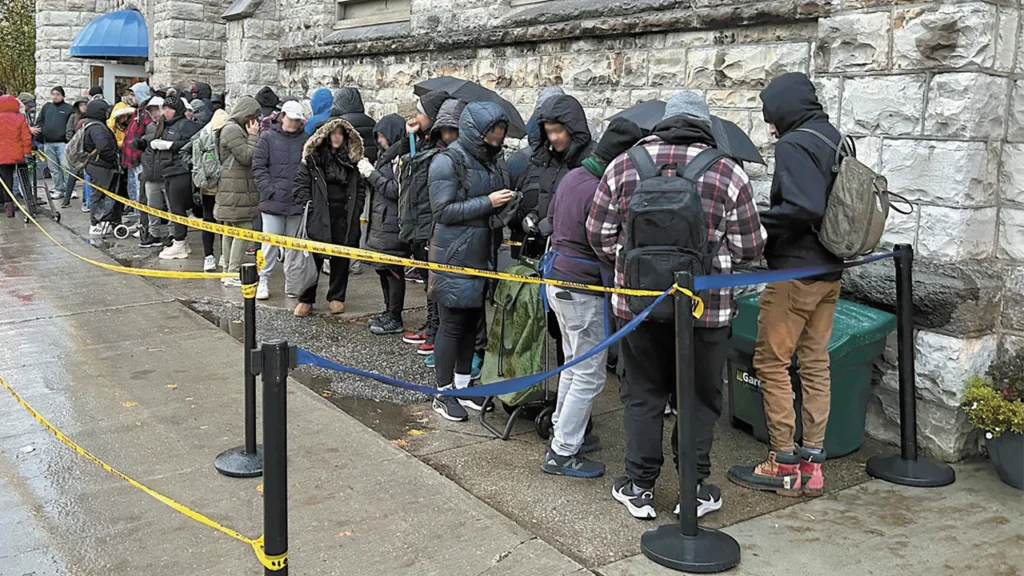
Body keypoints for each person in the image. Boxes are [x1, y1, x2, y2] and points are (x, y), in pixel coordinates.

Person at [587, 90, 766, 520]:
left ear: (664, 122)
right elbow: (750, 247)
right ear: (706, 125)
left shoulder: (623, 165)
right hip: (707, 309)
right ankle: (693, 489)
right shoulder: (727, 171)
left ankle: (639, 486)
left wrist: (634, 266)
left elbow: (598, 235)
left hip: (640, 307)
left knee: (643, 395)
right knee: (699, 400)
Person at [727, 72, 845, 499]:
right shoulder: (834, 138)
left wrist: (757, 220)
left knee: (772, 363)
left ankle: (783, 463)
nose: (769, 124)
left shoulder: (795, 144)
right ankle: (813, 466)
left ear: (783, 108)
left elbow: (804, 207)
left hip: (794, 273)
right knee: (814, 364)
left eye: (770, 113)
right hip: (830, 270)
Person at [540, 118, 644, 478]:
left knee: (573, 363)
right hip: (582, 288)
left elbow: (550, 221)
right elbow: (608, 242)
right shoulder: (602, 189)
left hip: (558, 281)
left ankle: (563, 432)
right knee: (589, 373)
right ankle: (562, 451)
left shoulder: (572, 177)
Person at [427, 101, 515, 422]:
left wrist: (506, 206)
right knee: (451, 325)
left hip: (480, 255)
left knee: (470, 325)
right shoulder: (447, 161)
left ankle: (464, 386)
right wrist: (488, 202)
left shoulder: (492, 161)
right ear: (476, 131)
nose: (498, 137)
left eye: (500, 131)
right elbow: (443, 210)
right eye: (493, 132)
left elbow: (487, 214)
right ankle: (443, 392)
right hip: (453, 255)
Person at [292, 117, 367, 317]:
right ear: (325, 136)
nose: (337, 137)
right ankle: (306, 298)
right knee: (312, 259)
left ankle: (337, 297)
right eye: (333, 133)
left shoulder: (352, 162)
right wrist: (310, 207)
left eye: (341, 134)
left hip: (344, 215)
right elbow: (300, 186)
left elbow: (360, 189)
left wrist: (357, 209)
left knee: (341, 258)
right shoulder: (313, 160)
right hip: (318, 215)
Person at [396, 89, 451, 358]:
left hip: (431, 222)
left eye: (421, 112)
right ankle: (431, 325)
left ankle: (436, 329)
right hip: (419, 220)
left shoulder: (443, 149)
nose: (416, 116)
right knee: (428, 280)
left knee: (435, 281)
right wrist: (411, 136)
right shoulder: (424, 141)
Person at [520, 93, 594, 258]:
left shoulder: (591, 160)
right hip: (547, 250)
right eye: (548, 132)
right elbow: (549, 194)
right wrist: (534, 214)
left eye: (558, 131)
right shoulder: (549, 158)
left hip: (576, 253)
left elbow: (593, 207)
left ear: (572, 129)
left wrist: (553, 221)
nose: (553, 138)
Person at [252, 100, 310, 300]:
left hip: (296, 202)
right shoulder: (268, 139)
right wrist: (269, 190)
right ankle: (262, 280)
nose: (294, 123)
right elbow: (258, 167)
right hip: (273, 201)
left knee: (295, 247)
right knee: (269, 245)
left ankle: (293, 283)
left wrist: (304, 194)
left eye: (297, 120)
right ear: (282, 116)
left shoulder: (306, 140)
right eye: (291, 119)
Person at [358, 113, 408, 335]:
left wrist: (372, 174)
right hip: (381, 222)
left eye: (381, 136)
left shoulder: (402, 158)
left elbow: (395, 190)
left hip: (393, 224)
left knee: (393, 271)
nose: (379, 140)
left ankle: (395, 317)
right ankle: (388, 312)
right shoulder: (386, 156)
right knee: (383, 271)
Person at [135, 95, 201, 259]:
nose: (165, 112)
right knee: (173, 208)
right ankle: (181, 242)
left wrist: (171, 145)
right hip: (167, 170)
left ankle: (179, 242)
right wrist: (147, 143)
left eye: (168, 109)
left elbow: (194, 143)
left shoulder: (186, 125)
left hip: (180, 170)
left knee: (177, 208)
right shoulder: (164, 125)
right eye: (164, 109)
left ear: (176, 110)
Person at [213, 96, 261, 283]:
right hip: (234, 187)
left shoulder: (232, 128)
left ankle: (227, 271)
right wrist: (254, 136)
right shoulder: (232, 129)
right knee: (243, 229)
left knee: (231, 230)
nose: (255, 121)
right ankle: (232, 272)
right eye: (254, 116)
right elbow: (247, 156)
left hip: (234, 187)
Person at [193, 108, 230, 271]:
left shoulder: (231, 138)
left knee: (225, 221)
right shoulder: (202, 138)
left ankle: (224, 254)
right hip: (209, 186)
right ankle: (209, 255)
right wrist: (199, 174)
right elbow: (188, 153)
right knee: (209, 220)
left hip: (226, 186)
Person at [81, 100, 122, 236]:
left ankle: (102, 222)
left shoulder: (92, 125)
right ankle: (97, 223)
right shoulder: (97, 127)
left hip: (97, 165)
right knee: (100, 196)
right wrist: (113, 157)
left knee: (101, 195)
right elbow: (103, 147)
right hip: (101, 166)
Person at [133, 96, 170, 248]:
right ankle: (153, 234)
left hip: (166, 173)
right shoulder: (149, 127)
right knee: (152, 206)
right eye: (151, 111)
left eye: (157, 110)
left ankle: (173, 234)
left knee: (171, 207)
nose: (154, 114)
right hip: (151, 173)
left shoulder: (170, 127)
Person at [32, 87, 74, 200]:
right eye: (53, 94)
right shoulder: (47, 107)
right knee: (53, 168)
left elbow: (72, 125)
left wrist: (68, 139)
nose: (55, 96)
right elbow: (40, 121)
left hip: (63, 143)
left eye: (58, 94)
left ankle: (70, 189)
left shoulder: (69, 108)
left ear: (63, 96)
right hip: (48, 143)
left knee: (65, 167)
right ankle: (58, 189)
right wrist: (40, 135)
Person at [0, 94, 33, 218]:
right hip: (19, 155)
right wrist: (27, 153)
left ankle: (9, 207)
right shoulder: (20, 118)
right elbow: (26, 138)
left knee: (6, 181)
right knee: (23, 177)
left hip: (2, 156)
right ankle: (29, 201)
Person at [60, 96, 89, 207]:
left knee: (87, 176)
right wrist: (73, 144)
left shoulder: (91, 117)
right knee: (73, 174)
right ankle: (66, 199)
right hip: (76, 150)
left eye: (85, 105)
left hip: (87, 150)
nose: (83, 107)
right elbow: (69, 131)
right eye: (81, 105)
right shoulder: (73, 117)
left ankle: (86, 200)